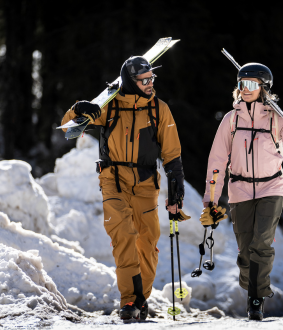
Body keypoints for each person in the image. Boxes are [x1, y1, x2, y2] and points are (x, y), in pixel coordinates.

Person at [60, 56, 188, 320]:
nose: (151, 83)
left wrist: (176, 189)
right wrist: (78, 108)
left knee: (148, 242)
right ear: (131, 82)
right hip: (113, 181)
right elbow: (68, 127)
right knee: (123, 237)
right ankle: (129, 300)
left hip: (145, 184)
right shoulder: (108, 106)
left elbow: (172, 152)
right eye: (144, 80)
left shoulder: (158, 109)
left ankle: (141, 297)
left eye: (152, 78)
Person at [200, 63, 283, 320]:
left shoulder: (276, 118)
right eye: (241, 84)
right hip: (239, 189)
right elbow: (217, 161)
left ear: (263, 88)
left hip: (271, 187)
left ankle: (256, 299)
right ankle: (252, 288)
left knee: (261, 243)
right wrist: (212, 199)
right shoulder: (231, 119)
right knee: (245, 250)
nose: (245, 89)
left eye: (251, 84)